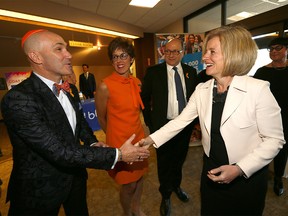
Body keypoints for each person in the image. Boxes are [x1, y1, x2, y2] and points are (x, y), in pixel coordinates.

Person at [1, 29, 150, 216]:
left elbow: (81, 126)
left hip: (75, 180)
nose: (69, 54)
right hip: (40, 190)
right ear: (36, 57)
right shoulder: (18, 99)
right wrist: (117, 154)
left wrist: (93, 142)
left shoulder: (69, 88)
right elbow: (59, 151)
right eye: (59, 49)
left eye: (67, 48)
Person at [139, 26, 285, 215]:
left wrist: (239, 169)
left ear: (233, 54)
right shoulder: (203, 90)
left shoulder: (258, 90)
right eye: (206, 51)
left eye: (212, 52)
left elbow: (274, 140)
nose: (204, 57)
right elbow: (180, 121)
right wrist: (148, 141)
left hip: (247, 177)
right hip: (211, 172)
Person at [141, 38, 198, 216]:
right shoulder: (153, 72)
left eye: (176, 51)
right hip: (162, 127)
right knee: (164, 163)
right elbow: (143, 99)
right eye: (168, 51)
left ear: (183, 53)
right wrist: (151, 123)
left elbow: (194, 100)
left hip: (184, 128)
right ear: (163, 51)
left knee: (179, 160)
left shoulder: (191, 72)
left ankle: (176, 186)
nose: (171, 55)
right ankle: (165, 195)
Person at [95, 37, 148, 216]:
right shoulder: (105, 86)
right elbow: (101, 118)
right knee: (128, 184)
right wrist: (114, 139)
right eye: (115, 57)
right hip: (119, 142)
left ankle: (136, 207)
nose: (119, 61)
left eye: (123, 55)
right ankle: (127, 212)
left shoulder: (137, 82)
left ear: (131, 58)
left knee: (140, 177)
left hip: (139, 138)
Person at [254, 37, 288, 196]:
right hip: (265, 118)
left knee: (282, 150)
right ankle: (260, 178)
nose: (274, 51)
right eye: (271, 49)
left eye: (278, 48)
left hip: (286, 119)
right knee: (263, 148)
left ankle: (278, 179)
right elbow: (253, 97)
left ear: (286, 49)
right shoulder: (262, 72)